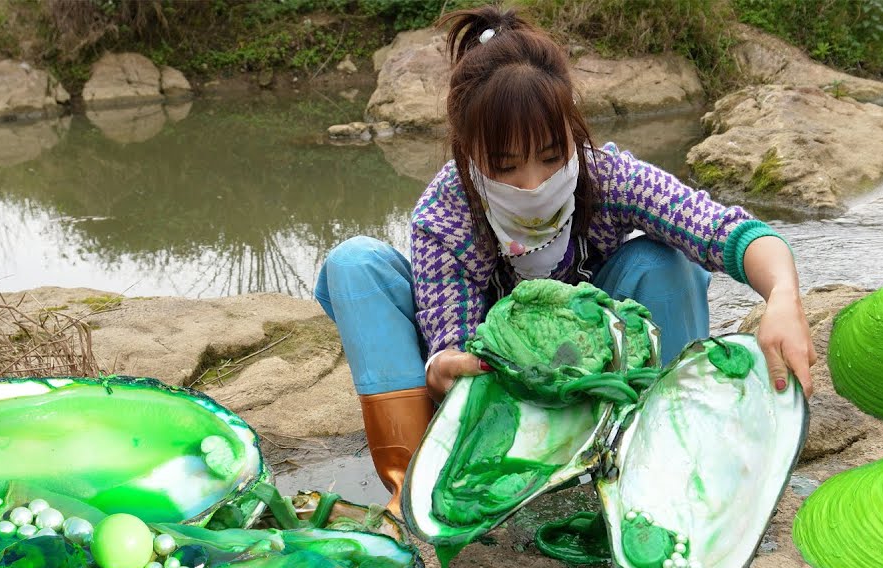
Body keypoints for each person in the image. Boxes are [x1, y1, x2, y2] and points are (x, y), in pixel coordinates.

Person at [315, 5, 816, 516]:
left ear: (574, 136)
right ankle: (420, 490)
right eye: (505, 166)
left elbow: (725, 231)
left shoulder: (609, 176)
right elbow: (453, 347)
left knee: (665, 260)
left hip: (598, 364)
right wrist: (445, 367)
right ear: (468, 158)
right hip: (498, 381)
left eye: (552, 157)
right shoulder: (444, 216)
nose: (533, 185)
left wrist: (782, 296)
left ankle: (665, 455)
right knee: (354, 265)